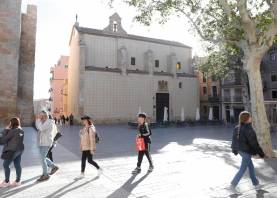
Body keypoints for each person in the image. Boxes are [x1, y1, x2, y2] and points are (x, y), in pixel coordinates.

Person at [229, 111, 265, 194]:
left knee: (251, 167)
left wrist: (234, 149)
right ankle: (232, 186)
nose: (251, 118)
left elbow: (234, 140)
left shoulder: (237, 127)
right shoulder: (249, 129)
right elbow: (254, 143)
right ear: (247, 119)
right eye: (250, 117)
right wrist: (261, 153)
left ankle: (256, 184)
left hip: (241, 151)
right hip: (246, 152)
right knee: (243, 169)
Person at [0, 117, 24, 187]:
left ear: (11, 123)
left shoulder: (12, 131)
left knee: (6, 165)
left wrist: (5, 130)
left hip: (12, 150)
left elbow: (3, 140)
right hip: (19, 150)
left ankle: (7, 181)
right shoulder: (21, 130)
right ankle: (18, 181)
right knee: (17, 164)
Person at [36, 111, 59, 182]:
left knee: (42, 159)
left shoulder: (49, 122)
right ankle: (54, 167)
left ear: (45, 116)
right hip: (41, 142)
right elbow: (38, 127)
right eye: (40, 116)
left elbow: (41, 128)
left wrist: (38, 120)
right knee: (43, 158)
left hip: (46, 143)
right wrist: (39, 121)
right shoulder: (43, 122)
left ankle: (45, 175)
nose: (40, 117)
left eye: (41, 116)